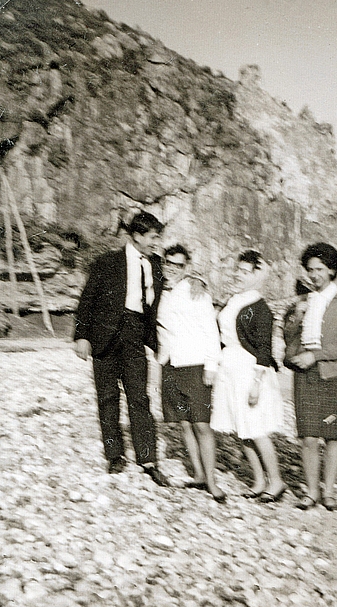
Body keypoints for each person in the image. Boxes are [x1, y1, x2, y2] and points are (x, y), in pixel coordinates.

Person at [74, 211, 170, 487]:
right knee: (107, 398)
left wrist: (199, 281)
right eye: (153, 237)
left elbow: (177, 282)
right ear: (137, 236)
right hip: (104, 336)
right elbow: (87, 300)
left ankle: (148, 460)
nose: (157, 242)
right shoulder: (107, 262)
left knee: (139, 399)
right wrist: (82, 337)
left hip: (136, 335)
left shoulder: (157, 265)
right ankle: (114, 455)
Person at [210, 250, 286, 502]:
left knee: (256, 427)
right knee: (240, 427)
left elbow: (264, 349)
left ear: (256, 275)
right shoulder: (234, 300)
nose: (238, 275)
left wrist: (256, 383)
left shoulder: (259, 306)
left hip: (250, 369)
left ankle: (276, 481)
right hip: (229, 366)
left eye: (245, 271)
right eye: (237, 270)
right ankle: (258, 480)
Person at [284, 243, 337, 511]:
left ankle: (330, 493)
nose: (314, 275)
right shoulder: (302, 302)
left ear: (332, 270)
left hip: (334, 376)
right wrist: (295, 319)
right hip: (305, 375)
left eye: (320, 270)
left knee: (331, 435)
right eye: (310, 270)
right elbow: (287, 338)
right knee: (308, 437)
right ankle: (311, 492)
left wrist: (316, 355)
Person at [156, 244, 226, 502]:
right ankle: (198, 475)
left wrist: (211, 365)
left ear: (186, 268)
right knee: (184, 423)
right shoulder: (159, 291)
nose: (171, 269)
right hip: (169, 364)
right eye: (168, 263)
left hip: (196, 364)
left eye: (177, 265)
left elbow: (211, 330)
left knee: (202, 424)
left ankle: (212, 481)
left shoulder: (197, 293)